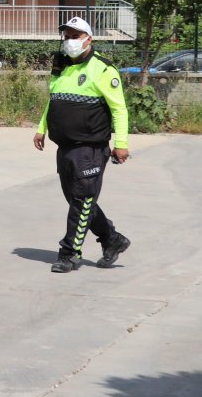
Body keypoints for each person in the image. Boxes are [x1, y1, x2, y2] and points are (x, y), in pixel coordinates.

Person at [33, 16, 130, 273]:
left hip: (90, 147)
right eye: (66, 36)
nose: (69, 41)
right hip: (64, 146)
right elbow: (53, 101)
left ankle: (69, 253)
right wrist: (41, 128)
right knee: (79, 200)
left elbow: (119, 109)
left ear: (89, 39)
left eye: (75, 36)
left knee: (81, 200)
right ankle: (112, 239)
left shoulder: (104, 69)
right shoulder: (63, 67)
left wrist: (121, 143)